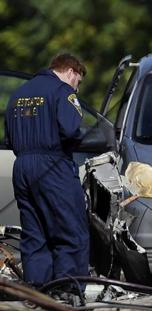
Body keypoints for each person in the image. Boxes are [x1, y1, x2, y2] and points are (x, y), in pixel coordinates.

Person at [4, 53, 89, 288]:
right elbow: (71, 131)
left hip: (22, 168)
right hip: (53, 166)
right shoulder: (63, 92)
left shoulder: (18, 94)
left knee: (34, 233)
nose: (77, 89)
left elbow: (9, 139)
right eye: (78, 82)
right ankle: (68, 290)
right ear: (71, 71)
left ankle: (37, 290)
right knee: (71, 231)